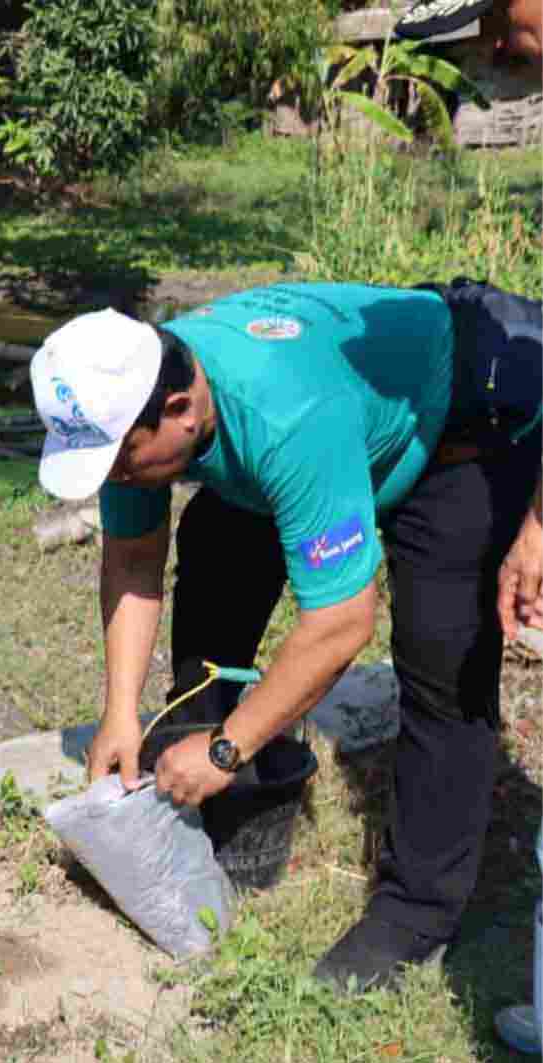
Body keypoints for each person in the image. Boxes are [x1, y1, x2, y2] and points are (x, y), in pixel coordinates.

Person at [29, 282, 541, 992]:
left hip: (453, 426)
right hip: (328, 430)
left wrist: (225, 748)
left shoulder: (288, 416)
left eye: (121, 463)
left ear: (180, 411)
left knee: (442, 654)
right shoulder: (140, 394)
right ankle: (214, 786)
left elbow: (340, 625)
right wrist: (121, 711)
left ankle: (416, 911)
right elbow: (134, 553)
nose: (115, 479)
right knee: (215, 547)